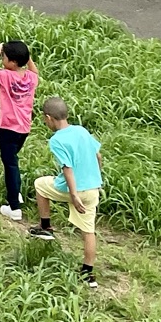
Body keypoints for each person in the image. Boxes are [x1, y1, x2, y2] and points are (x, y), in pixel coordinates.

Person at [30, 96, 102, 289]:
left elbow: (67, 168)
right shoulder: (81, 130)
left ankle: (45, 227)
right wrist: (96, 178)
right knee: (89, 231)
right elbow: (98, 155)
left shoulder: (57, 140)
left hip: (73, 189)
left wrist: (74, 194)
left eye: (45, 120)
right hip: (93, 188)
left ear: (49, 118)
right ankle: (88, 275)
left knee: (40, 184)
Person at [0, 39, 38, 220]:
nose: (2, 59)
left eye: (4, 57)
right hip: (24, 128)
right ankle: (15, 191)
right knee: (13, 160)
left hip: (8, 127)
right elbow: (34, 70)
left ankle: (14, 207)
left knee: (10, 164)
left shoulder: (4, 75)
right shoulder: (31, 78)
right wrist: (27, 56)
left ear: (13, 62)